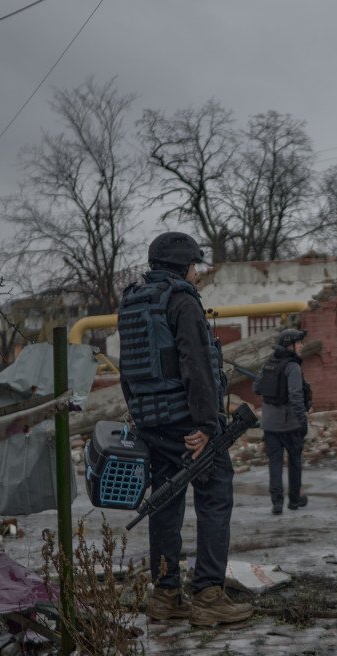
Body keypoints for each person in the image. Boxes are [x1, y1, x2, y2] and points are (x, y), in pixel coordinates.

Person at [118, 231, 252, 626]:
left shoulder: (133, 302)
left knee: (164, 503)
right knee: (214, 495)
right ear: (184, 265)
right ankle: (209, 595)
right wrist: (208, 425)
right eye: (196, 266)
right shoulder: (181, 300)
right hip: (188, 422)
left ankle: (165, 595)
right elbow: (196, 365)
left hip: (150, 419)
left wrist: (142, 416)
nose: (197, 274)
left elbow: (128, 370)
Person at [253, 328, 311, 515]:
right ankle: (294, 500)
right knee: (294, 462)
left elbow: (256, 387)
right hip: (290, 425)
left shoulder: (269, 362)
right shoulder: (292, 366)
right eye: (299, 343)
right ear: (290, 345)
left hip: (269, 425)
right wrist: (302, 422)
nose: (302, 346)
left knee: (275, 463)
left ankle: (276, 502)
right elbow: (296, 396)